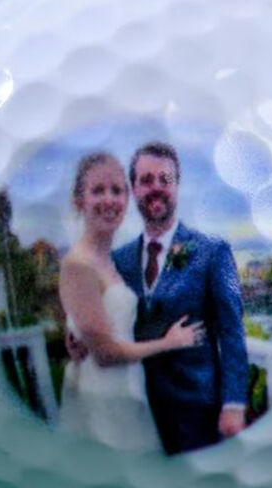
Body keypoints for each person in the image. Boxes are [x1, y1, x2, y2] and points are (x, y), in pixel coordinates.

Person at [68, 142, 250, 455]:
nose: (156, 188)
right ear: (134, 189)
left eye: (165, 179)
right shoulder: (118, 260)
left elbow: (232, 332)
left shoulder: (213, 252)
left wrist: (233, 404)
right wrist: (82, 340)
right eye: (146, 180)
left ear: (177, 186)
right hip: (136, 410)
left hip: (198, 412)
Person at [58, 152, 203, 452]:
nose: (109, 199)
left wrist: (75, 332)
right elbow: (105, 354)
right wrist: (170, 342)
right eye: (98, 190)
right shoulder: (79, 263)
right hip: (103, 400)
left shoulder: (109, 259)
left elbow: (101, 318)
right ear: (79, 200)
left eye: (117, 190)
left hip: (126, 391)